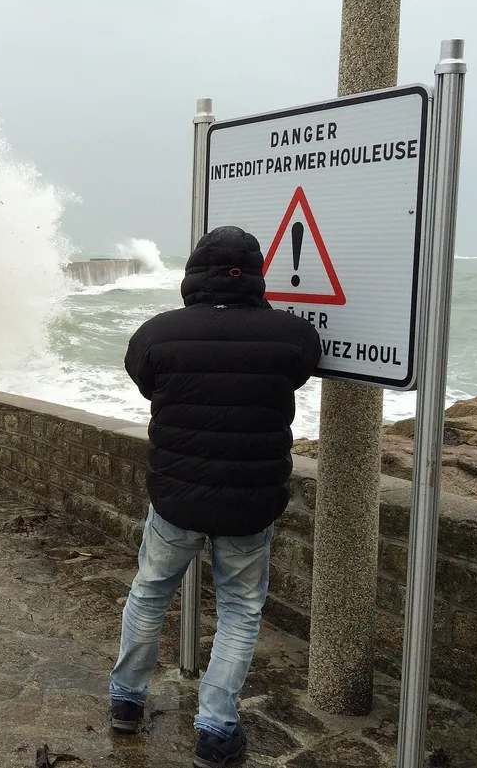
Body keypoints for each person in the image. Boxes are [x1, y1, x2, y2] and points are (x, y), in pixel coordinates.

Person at [108, 226, 321, 767]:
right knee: (240, 611)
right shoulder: (291, 337)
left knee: (150, 592)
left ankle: (127, 702)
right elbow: (299, 371)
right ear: (254, 273)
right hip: (250, 504)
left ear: (193, 272)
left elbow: (145, 380)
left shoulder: (156, 335)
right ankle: (215, 732)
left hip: (176, 497)